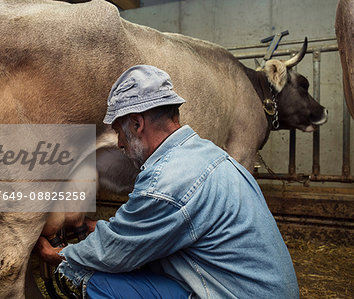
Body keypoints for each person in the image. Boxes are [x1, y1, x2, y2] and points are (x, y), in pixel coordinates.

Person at [36, 65, 299, 298]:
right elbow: (150, 230)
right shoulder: (211, 155)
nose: (119, 144)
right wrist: (103, 229)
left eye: (119, 132)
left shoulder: (166, 181)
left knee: (97, 281)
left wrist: (60, 255)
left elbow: (115, 253)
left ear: (137, 123)